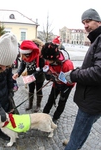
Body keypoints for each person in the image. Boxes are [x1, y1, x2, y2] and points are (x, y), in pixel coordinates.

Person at [63, 8, 101, 150]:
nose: (85, 25)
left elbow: (98, 72)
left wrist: (74, 74)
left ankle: (73, 144)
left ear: (99, 21)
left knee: (79, 133)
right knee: (82, 128)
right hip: (92, 99)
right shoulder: (96, 39)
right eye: (83, 22)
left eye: (88, 21)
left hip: (92, 102)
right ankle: (75, 140)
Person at [41, 36, 75, 124]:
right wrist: (48, 75)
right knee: (50, 99)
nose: (47, 61)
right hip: (56, 83)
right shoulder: (48, 59)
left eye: (48, 60)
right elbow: (47, 69)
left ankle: (56, 117)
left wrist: (64, 86)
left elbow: (72, 81)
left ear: (55, 57)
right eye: (46, 59)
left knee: (62, 101)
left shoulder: (67, 65)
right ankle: (43, 115)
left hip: (67, 86)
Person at [13, 39, 45, 112]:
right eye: (25, 56)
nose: (26, 57)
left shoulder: (39, 55)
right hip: (30, 76)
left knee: (39, 90)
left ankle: (38, 105)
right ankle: (30, 105)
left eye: (28, 56)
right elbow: (22, 66)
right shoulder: (24, 55)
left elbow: (43, 68)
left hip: (39, 76)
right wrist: (17, 73)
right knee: (31, 90)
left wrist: (33, 75)